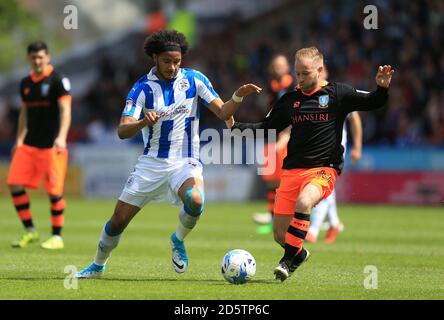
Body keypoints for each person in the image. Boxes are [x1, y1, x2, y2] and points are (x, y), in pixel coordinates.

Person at [75, 30, 261, 278]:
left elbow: (224, 112)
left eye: (177, 61)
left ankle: (178, 239)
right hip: (151, 164)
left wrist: (238, 95)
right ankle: (97, 266)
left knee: (195, 200)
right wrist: (142, 122)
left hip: (186, 161)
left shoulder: (195, 80)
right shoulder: (142, 88)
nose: (172, 67)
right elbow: (122, 130)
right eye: (166, 61)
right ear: (154, 58)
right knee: (118, 220)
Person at [230, 46, 393, 281]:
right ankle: (299, 253)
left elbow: (372, 101)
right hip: (292, 170)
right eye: (298, 73)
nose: (301, 78)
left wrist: (382, 87)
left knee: (304, 201)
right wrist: (236, 127)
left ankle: (286, 262)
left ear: (319, 70)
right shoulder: (291, 99)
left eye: (305, 73)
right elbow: (268, 128)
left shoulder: (338, 93)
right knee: (279, 234)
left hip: (323, 169)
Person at [7, 41, 72, 250]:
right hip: (29, 144)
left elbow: (65, 111)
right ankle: (30, 230)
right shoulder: (25, 83)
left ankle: (57, 236)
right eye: (34, 57)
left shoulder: (58, 80)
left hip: (51, 145)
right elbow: (25, 112)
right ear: (29, 59)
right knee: (14, 183)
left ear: (48, 57)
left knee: (54, 192)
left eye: (41, 57)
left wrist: (61, 137)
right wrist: (18, 139)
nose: (37, 61)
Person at [251, 54, 295, 235]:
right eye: (275, 65)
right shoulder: (269, 86)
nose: (277, 68)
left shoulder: (293, 85)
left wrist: (287, 134)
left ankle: (295, 220)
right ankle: (272, 219)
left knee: (286, 180)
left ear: (287, 67)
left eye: (281, 65)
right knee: (271, 180)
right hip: (270, 135)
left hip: (289, 137)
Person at [306, 111, 362, 244]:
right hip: (315, 146)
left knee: (322, 182)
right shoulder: (311, 91)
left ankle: (313, 230)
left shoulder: (341, 91)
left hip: (335, 148)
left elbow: (354, 118)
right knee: (324, 184)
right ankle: (334, 223)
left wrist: (358, 147)